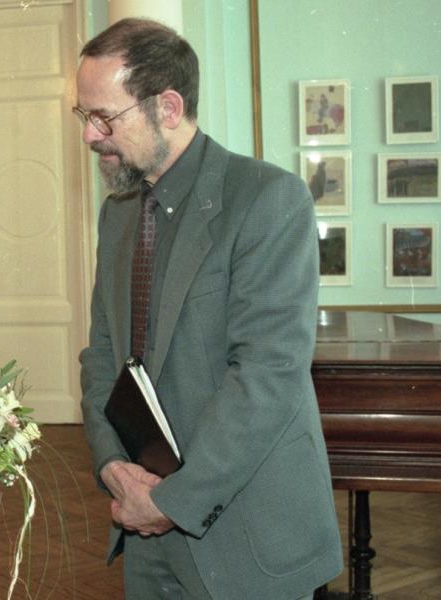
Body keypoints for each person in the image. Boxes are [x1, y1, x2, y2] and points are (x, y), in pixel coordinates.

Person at [75, 19, 342, 599]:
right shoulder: (118, 213)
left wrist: (173, 502)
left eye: (104, 117)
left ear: (168, 108)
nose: (91, 135)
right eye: (84, 116)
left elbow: (267, 376)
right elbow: (102, 355)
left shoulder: (267, 199)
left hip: (245, 532)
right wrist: (111, 465)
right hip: (143, 526)